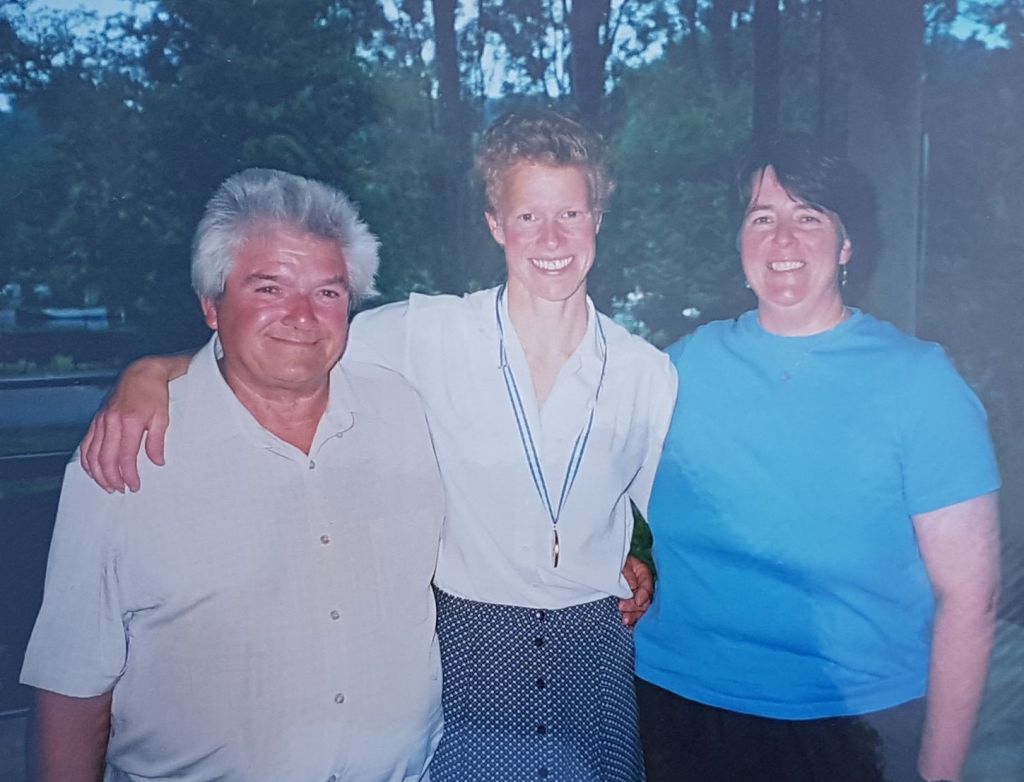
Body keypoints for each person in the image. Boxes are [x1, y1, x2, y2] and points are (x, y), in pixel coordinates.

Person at [77, 110, 677, 781]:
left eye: (570, 213)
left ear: (599, 217)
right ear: (493, 224)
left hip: (593, 662)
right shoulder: (424, 334)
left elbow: (645, 516)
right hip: (469, 662)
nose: (551, 237)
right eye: (528, 215)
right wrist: (152, 371)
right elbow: (288, 345)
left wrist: (637, 555)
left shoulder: (647, 373)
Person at [21, 168, 447, 781]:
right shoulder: (128, 452)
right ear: (211, 305)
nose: (302, 317)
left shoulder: (404, 410)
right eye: (269, 289)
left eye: (328, 293)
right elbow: (71, 680)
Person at [634, 137, 1002, 782]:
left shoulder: (920, 384)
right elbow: (604, 494)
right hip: (677, 709)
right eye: (762, 217)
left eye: (809, 217)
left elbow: (970, 597)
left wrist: (938, 776)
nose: (783, 240)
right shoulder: (679, 367)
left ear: (848, 244)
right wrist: (626, 554)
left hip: (854, 728)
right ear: (740, 241)